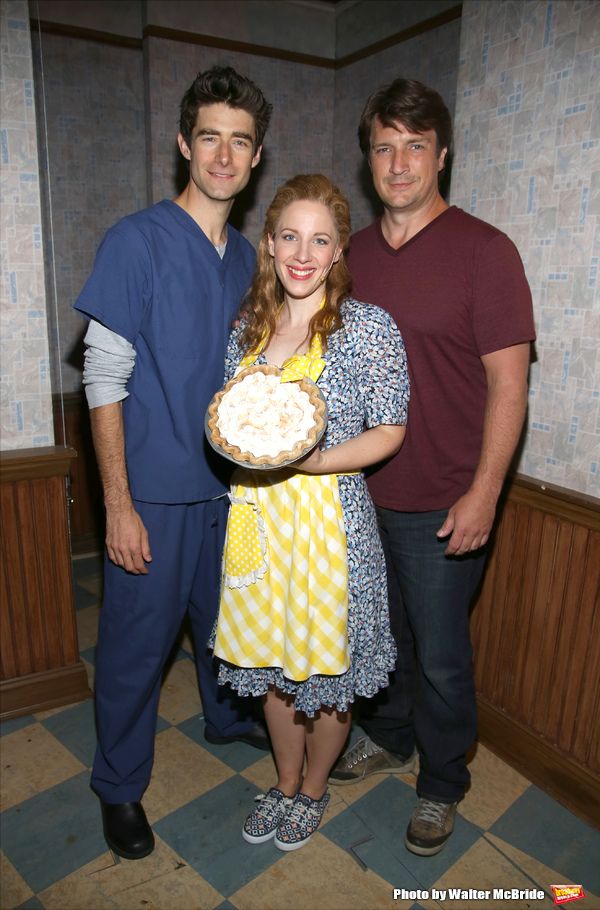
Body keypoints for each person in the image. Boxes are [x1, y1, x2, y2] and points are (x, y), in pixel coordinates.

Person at [329, 78, 536, 857]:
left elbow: (509, 386)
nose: (399, 163)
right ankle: (388, 735)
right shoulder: (350, 255)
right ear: (368, 158)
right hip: (357, 491)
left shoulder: (486, 252)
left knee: (443, 656)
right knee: (379, 637)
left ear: (442, 154)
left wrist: (485, 492)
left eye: (415, 146)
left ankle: (443, 781)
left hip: (445, 498)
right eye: (384, 147)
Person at [74, 65, 272, 860]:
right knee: (135, 651)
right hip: (152, 494)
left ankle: (226, 718)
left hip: (229, 492)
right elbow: (102, 376)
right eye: (210, 137)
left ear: (256, 157)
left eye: (240, 141)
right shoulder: (137, 241)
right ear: (185, 144)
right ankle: (118, 785)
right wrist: (118, 505)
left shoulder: (248, 257)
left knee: (226, 628)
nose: (224, 155)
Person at [211, 174, 410, 851]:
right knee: (270, 664)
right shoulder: (248, 330)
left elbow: (390, 429)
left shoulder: (367, 328)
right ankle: (284, 779)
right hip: (259, 522)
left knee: (326, 673)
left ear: (339, 250)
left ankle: (314, 788)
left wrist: (317, 461)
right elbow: (233, 421)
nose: (303, 254)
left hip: (332, 525)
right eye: (290, 237)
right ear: (269, 243)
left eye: (320, 240)